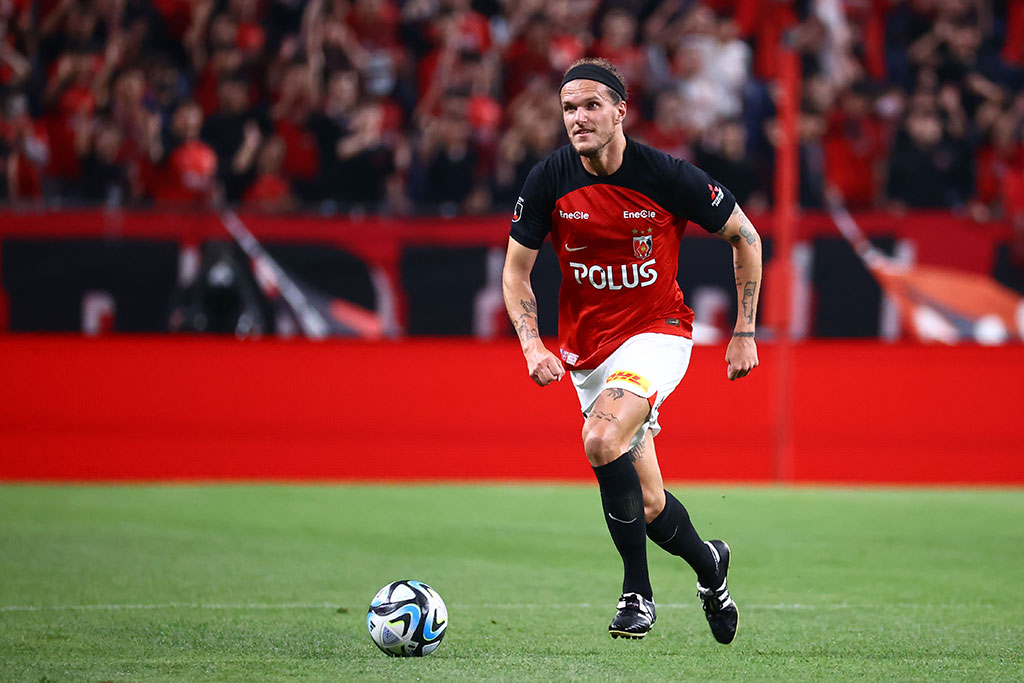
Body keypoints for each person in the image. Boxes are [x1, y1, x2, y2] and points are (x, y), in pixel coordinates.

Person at [501, 58, 762, 643]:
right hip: (588, 353)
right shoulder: (548, 179)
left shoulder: (666, 175)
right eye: (569, 108)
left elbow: (745, 236)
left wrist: (744, 330)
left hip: (657, 332)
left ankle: (636, 595)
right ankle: (711, 567)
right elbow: (515, 272)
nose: (578, 117)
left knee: (599, 438)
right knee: (646, 503)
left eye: (591, 105)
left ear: (621, 111)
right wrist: (531, 345)